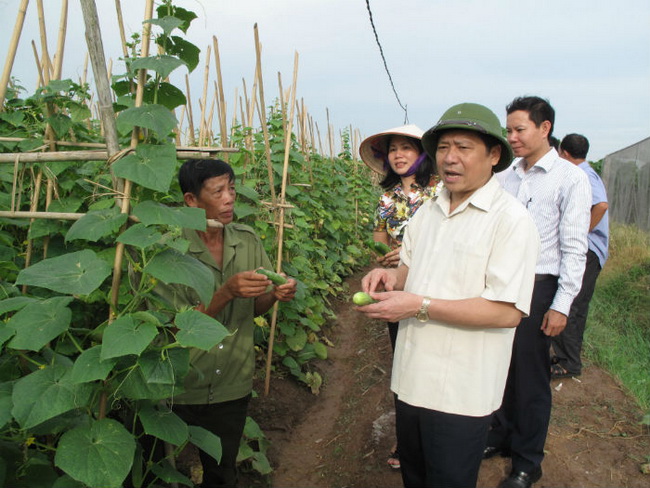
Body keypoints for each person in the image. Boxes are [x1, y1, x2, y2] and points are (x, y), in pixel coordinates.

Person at [356, 103, 540, 488]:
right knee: (415, 476)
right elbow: (410, 270)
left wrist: (420, 306)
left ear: (493, 155)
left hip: (460, 390)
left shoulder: (510, 221)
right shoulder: (429, 212)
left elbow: (506, 312)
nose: (450, 158)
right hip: (411, 379)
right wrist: (391, 278)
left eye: (463, 147)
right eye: (442, 148)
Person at [153, 159, 297, 488]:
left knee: (221, 473)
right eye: (218, 191)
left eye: (231, 188)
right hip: (179, 386)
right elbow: (173, 330)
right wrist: (226, 292)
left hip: (232, 382)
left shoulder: (246, 241)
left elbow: (255, 307)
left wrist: (276, 294)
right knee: (159, 470)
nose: (230, 198)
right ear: (191, 200)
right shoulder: (168, 251)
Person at [485, 97, 592, 488]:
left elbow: (574, 247)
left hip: (538, 285)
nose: (511, 137)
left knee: (530, 377)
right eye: (508, 130)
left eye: (519, 130)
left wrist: (561, 304)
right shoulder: (504, 177)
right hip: (499, 284)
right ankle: (501, 435)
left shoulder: (570, 178)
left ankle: (528, 461)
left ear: (544, 128)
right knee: (500, 366)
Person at [359, 124, 440, 469]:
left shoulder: (439, 192)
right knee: (404, 363)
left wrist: (412, 255)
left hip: (434, 287)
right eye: (393, 150)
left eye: (406, 148)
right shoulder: (386, 200)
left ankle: (437, 438)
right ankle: (405, 441)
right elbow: (378, 240)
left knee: (436, 362)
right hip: (399, 289)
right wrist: (386, 254)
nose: (399, 155)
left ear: (422, 154)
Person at [551, 133, 609, 378]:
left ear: (564, 152)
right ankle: (566, 356)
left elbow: (601, 205)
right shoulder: (584, 171)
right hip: (591, 250)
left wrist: (581, 233)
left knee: (572, 305)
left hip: (588, 251)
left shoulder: (582, 174)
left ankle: (569, 364)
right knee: (575, 305)